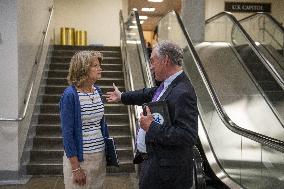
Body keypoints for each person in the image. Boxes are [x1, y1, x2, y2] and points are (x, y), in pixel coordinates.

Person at [105, 40, 198, 189]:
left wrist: (151, 127)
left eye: (153, 61)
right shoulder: (168, 85)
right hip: (156, 165)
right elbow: (147, 93)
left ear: (165, 60)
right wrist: (122, 96)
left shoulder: (183, 92)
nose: (151, 66)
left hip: (168, 176)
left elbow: (188, 135)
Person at [59, 51, 109, 189]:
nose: (100, 68)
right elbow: (67, 134)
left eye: (99, 65)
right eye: (95, 65)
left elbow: (100, 124)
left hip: (99, 156)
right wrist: (75, 168)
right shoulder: (70, 95)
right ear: (83, 68)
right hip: (81, 158)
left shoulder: (98, 91)